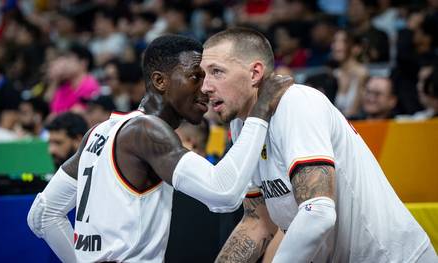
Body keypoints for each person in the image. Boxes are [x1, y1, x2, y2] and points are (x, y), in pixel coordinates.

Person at [27, 35, 292, 262]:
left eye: (210, 76)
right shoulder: (147, 131)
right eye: (195, 77)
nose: (206, 88)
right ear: (160, 80)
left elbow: (43, 214)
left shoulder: (99, 131)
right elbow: (223, 194)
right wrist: (260, 112)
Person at [197, 28, 436, 262]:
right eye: (202, 75)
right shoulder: (243, 126)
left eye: (217, 72)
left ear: (255, 72)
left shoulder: (296, 102)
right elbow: (258, 221)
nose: (205, 87)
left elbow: (318, 213)